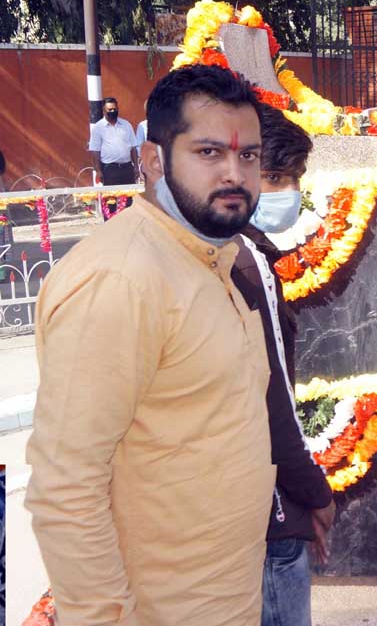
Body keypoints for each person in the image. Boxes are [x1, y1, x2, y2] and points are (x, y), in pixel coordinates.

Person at [27, 64, 274, 626]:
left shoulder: (211, 256)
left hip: (227, 597)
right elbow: (66, 491)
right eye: (209, 154)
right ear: (153, 161)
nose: (235, 174)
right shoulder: (123, 278)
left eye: (249, 156)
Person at [215, 104, 334, 626]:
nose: (288, 191)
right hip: (263, 507)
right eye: (276, 176)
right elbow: (271, 394)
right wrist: (310, 492)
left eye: (295, 178)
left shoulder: (220, 249)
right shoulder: (244, 260)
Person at [88, 96, 139, 215]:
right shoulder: (98, 128)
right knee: (111, 201)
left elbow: (133, 147)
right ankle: (111, 226)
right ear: (103, 111)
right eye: (109, 110)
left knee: (129, 200)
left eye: (114, 109)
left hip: (127, 168)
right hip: (109, 170)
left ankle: (129, 226)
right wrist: (98, 171)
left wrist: (136, 166)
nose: (112, 112)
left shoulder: (126, 125)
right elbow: (95, 151)